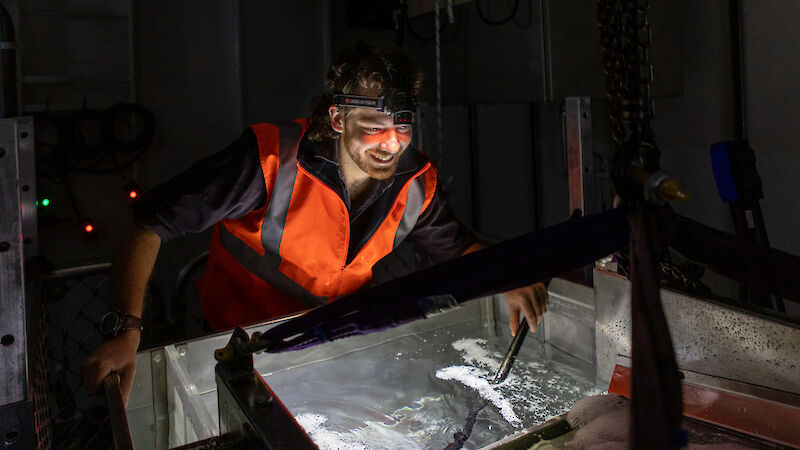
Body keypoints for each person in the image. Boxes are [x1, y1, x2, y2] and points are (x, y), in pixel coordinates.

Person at [82, 43, 549, 406]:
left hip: (332, 347)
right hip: (236, 352)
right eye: (373, 123)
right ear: (338, 117)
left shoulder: (416, 184)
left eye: (402, 125)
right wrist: (126, 329)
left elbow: (458, 250)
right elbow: (149, 222)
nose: (391, 142)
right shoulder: (269, 159)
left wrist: (506, 275)